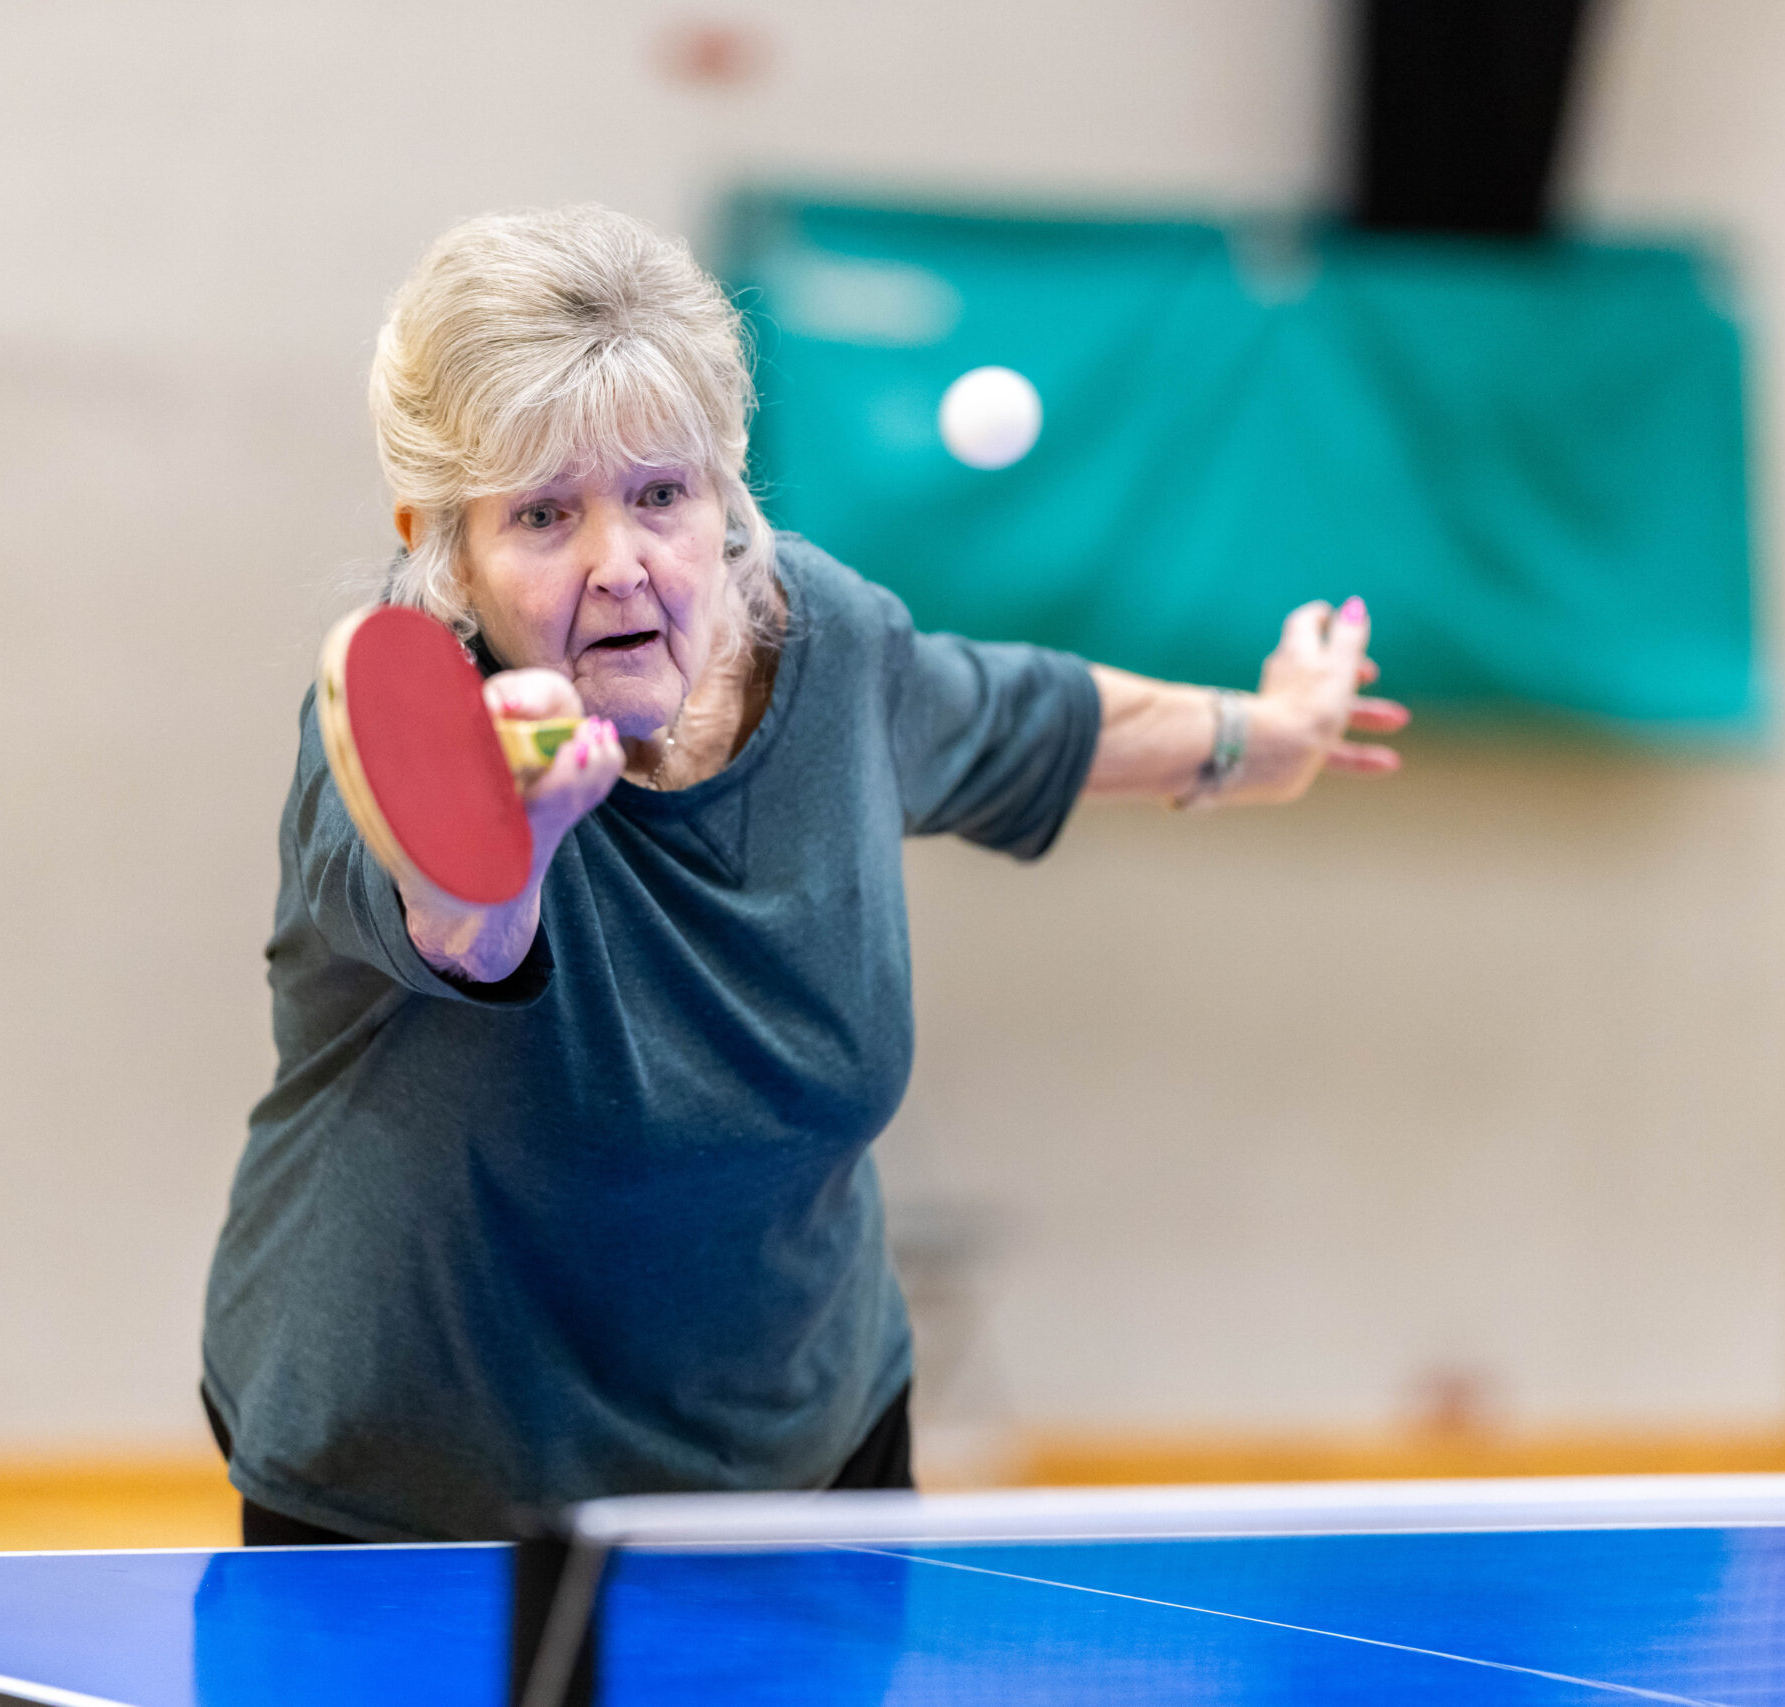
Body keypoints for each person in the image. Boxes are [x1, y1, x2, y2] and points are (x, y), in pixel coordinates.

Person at [200, 204, 1409, 1544]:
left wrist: (1266, 737)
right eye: (544, 514)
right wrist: (525, 837)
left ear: (725, 494)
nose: (621, 565)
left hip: (801, 1459)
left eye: (662, 494)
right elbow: (467, 931)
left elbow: (1028, 715)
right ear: (443, 540)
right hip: (430, 1489)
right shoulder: (402, 722)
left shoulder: (826, 644)